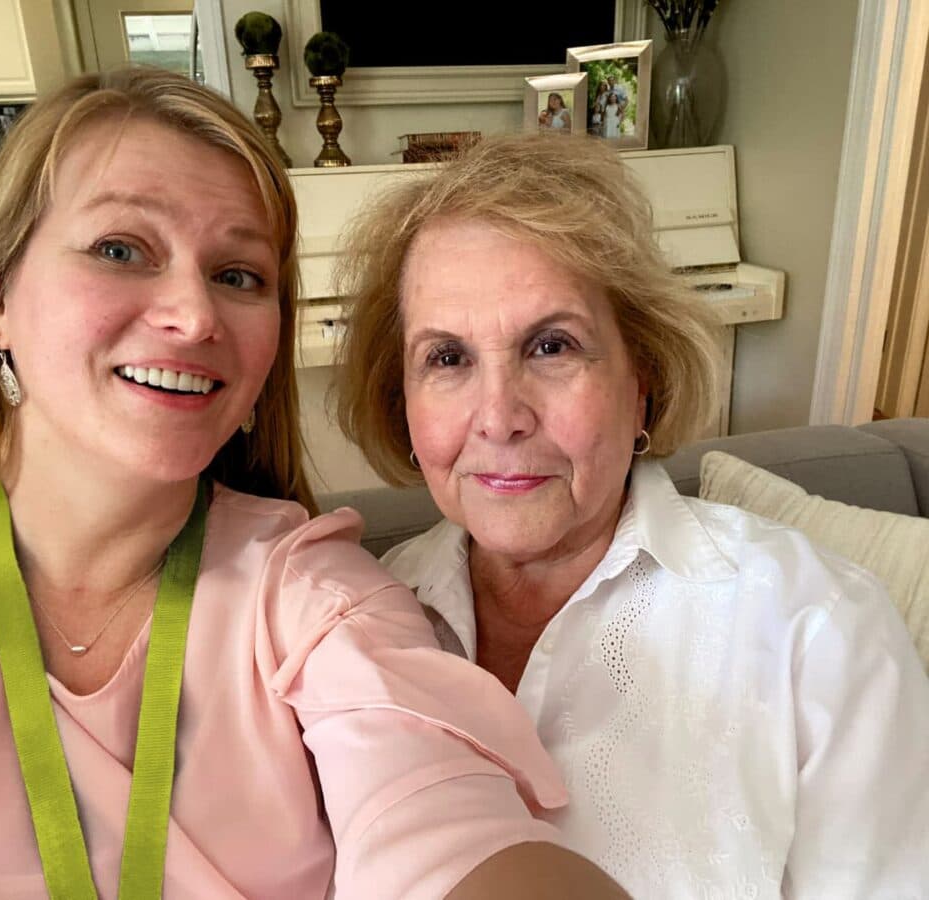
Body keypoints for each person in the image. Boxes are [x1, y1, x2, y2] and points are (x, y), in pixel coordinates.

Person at [0, 71, 629, 899]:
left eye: (239, 275)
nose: (194, 316)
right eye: (121, 250)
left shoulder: (317, 599)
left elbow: (443, 822)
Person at [334, 132, 929, 898]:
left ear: (640, 378)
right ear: (402, 402)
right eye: (447, 358)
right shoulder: (356, 625)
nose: (499, 416)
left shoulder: (817, 632)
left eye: (551, 345)